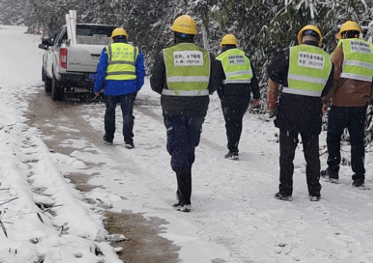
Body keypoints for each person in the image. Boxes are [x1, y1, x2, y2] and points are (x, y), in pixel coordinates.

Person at [149, 14, 220, 212]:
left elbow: (155, 83)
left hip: (173, 107)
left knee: (179, 148)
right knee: (189, 145)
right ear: (193, 35)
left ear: (175, 35)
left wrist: (172, 92)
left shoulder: (165, 55)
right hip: (198, 108)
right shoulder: (207, 56)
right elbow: (215, 82)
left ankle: (184, 198)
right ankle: (184, 188)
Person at [266, 24, 334, 202]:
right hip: (312, 110)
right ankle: (314, 191)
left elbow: (272, 71)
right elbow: (328, 86)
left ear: (301, 38)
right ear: (319, 40)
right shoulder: (327, 59)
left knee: (287, 153)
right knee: (312, 154)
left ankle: (285, 191)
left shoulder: (289, 53)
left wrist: (286, 81)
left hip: (290, 108)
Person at [322, 21, 373, 187]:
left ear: (342, 35)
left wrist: (325, 99)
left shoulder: (342, 49)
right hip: (360, 106)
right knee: (357, 141)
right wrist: (366, 96)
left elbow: (333, 78)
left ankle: (333, 170)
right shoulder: (370, 50)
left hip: (340, 104)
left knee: (333, 137)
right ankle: (359, 176)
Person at [211, 34, 261, 160]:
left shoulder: (220, 58)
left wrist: (221, 96)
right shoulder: (245, 57)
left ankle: (233, 149)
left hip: (229, 95)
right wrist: (256, 95)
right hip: (244, 95)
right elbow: (253, 78)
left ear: (223, 46)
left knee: (230, 122)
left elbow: (216, 81)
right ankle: (235, 145)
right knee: (238, 121)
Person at [94, 27, 146, 149]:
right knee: (127, 114)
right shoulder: (135, 51)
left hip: (111, 88)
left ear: (113, 39)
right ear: (126, 38)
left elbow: (101, 70)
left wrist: (97, 87)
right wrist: (136, 87)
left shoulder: (107, 50)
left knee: (110, 112)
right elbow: (141, 72)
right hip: (129, 88)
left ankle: (109, 137)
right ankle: (128, 140)